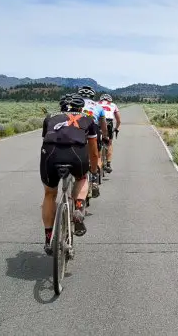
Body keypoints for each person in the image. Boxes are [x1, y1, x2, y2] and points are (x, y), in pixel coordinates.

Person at [40, 94, 99, 255]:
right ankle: (79, 207)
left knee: (49, 194)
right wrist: (93, 171)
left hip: (50, 155)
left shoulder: (50, 118)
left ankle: (48, 237)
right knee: (82, 178)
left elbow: (46, 139)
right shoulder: (88, 119)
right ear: (81, 108)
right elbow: (93, 152)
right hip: (76, 155)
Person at [77, 86, 108, 196]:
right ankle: (94, 177)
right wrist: (105, 136)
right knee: (96, 154)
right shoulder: (98, 106)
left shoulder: (75, 104)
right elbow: (103, 125)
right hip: (92, 128)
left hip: (76, 128)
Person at [98, 94, 121, 173]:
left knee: (95, 141)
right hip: (108, 122)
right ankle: (108, 164)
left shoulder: (96, 104)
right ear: (110, 100)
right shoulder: (113, 105)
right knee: (109, 143)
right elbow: (118, 120)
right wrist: (117, 128)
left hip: (98, 122)